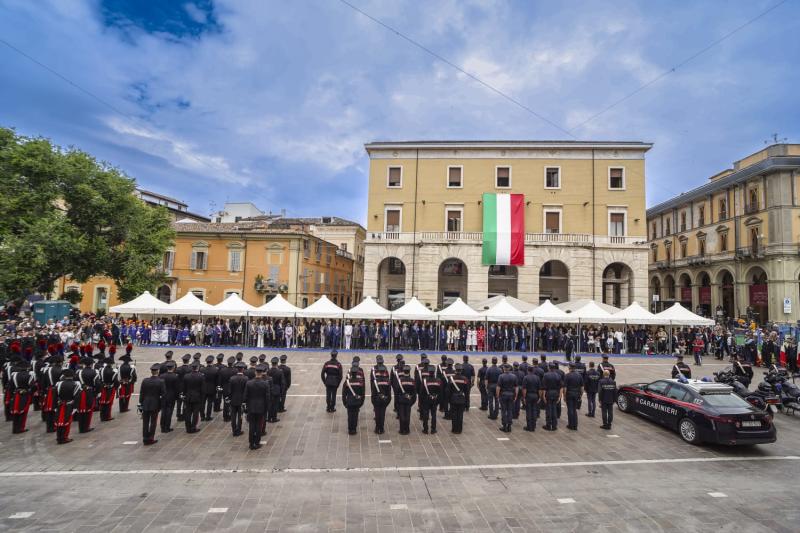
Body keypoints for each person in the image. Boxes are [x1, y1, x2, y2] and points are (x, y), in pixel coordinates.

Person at [244, 365, 271, 449]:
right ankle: (257, 442)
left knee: (252, 425)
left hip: (251, 407)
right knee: (259, 425)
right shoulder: (265, 383)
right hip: (261, 407)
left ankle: (251, 443)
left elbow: (245, 396)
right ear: (262, 373)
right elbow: (267, 397)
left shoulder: (249, 383)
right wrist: (266, 408)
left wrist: (247, 406)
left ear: (255, 372)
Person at [138, 364, 165, 445]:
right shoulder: (161, 381)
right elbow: (163, 394)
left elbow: (142, 393)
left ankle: (145, 438)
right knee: (153, 422)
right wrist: (161, 405)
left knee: (145, 422)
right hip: (155, 404)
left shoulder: (145, 380)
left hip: (145, 403)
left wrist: (141, 403)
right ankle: (151, 438)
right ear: (158, 371)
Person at [54, 369, 81, 444]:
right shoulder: (75, 384)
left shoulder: (58, 384)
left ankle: (59, 437)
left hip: (60, 405)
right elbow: (77, 397)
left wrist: (55, 406)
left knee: (59, 421)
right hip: (69, 405)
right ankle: (64, 437)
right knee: (67, 422)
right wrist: (75, 407)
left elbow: (55, 396)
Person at [9, 360, 35, 434]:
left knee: (15, 412)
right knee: (23, 412)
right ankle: (20, 428)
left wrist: (12, 395)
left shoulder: (14, 375)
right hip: (25, 394)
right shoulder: (29, 375)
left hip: (15, 394)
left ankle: (15, 428)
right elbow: (32, 386)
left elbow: (11, 386)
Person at [416, 356, 440, 435]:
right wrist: (437, 400)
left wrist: (421, 401)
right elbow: (440, 391)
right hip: (435, 399)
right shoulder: (438, 380)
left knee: (425, 414)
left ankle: (425, 429)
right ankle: (433, 429)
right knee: (434, 415)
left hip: (426, 399)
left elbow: (422, 391)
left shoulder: (424, 379)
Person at [370, 355, 392, 434]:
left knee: (377, 413)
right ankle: (381, 428)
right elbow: (389, 389)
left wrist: (373, 398)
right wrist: (387, 400)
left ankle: (377, 428)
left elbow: (372, 381)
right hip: (384, 398)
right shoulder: (385, 370)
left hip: (376, 396)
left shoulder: (374, 370)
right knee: (382, 414)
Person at [342, 364, 365, 435]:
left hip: (349, 401)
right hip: (357, 402)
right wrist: (361, 403)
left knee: (350, 416)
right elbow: (362, 394)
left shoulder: (347, 382)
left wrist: (345, 403)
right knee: (355, 416)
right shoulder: (360, 382)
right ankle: (354, 429)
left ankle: (350, 429)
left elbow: (344, 394)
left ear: (351, 373)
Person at [75, 357, 97, 433]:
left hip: (80, 392)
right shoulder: (94, 372)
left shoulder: (78, 372)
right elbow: (96, 384)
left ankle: (81, 427)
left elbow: (75, 383)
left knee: (81, 410)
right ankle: (86, 427)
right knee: (88, 410)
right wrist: (96, 392)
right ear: (91, 364)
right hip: (89, 392)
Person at [182, 362, 204, 433]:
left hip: (188, 396)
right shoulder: (201, 376)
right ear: (198, 367)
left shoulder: (186, 376)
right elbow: (202, 389)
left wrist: (185, 395)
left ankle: (188, 427)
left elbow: (184, 388)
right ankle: (193, 427)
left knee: (188, 412)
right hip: (197, 396)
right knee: (195, 412)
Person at [448, 363, 469, 434]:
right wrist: (467, 403)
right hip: (462, 399)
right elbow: (467, 392)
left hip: (453, 398)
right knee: (460, 415)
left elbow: (448, 390)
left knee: (454, 415)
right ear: (461, 370)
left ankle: (454, 429)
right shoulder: (465, 379)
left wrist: (449, 399)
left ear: (455, 370)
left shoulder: (451, 378)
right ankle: (459, 429)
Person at [395, 365, 417, 435]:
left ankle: (402, 429)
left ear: (403, 371)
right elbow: (414, 393)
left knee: (401, 415)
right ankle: (407, 429)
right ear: (409, 371)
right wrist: (412, 402)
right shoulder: (412, 380)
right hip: (409, 401)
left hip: (401, 400)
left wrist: (397, 401)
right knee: (408, 415)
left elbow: (397, 391)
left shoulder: (399, 380)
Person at [496, 364, 518, 433]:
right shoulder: (514, 376)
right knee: (510, 410)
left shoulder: (501, 376)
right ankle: (509, 426)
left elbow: (498, 387)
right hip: (511, 395)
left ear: (504, 369)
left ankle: (504, 425)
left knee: (503, 411)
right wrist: (516, 395)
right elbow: (516, 387)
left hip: (503, 395)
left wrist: (497, 395)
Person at [160, 361, 179, 433]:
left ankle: (162, 426)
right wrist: (177, 397)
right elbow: (176, 388)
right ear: (173, 367)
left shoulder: (162, 376)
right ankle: (167, 427)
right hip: (171, 396)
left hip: (163, 396)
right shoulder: (175, 376)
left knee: (163, 411)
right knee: (169, 412)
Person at [98, 357, 119, 422]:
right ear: (111, 364)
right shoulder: (114, 371)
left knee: (102, 402)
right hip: (110, 388)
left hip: (103, 388)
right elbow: (116, 381)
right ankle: (107, 416)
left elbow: (99, 379)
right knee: (109, 403)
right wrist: (116, 387)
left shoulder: (101, 370)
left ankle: (102, 416)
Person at [542, 363, 562, 431]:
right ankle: (554, 425)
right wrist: (559, 396)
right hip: (555, 393)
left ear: (549, 368)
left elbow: (544, 387)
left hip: (549, 393)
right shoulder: (558, 375)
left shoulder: (546, 375)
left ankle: (548, 425)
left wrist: (544, 396)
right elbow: (560, 387)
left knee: (548, 410)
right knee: (554, 409)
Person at [564, 363, 584, 430]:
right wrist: (581, 395)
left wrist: (564, 395)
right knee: (574, 410)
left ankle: (571, 424)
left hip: (569, 394)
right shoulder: (579, 376)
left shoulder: (567, 376)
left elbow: (565, 388)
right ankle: (575, 425)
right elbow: (582, 387)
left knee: (570, 410)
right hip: (577, 394)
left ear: (569, 367)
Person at [521, 365, 541, 432]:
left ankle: (529, 426)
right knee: (534, 411)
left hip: (529, 395)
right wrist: (539, 397)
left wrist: (524, 397)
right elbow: (539, 389)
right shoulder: (537, 378)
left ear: (528, 370)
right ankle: (534, 425)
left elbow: (524, 389)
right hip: (535, 395)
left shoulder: (526, 378)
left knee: (529, 411)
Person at [200, 355, 219, 421]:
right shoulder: (215, 370)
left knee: (202, 403)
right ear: (212, 361)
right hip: (212, 388)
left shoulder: (202, 369)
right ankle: (208, 416)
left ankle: (202, 416)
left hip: (203, 388)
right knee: (210, 403)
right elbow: (217, 381)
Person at [218, 357, 236, 422]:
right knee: (231, 403)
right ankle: (229, 415)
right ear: (233, 363)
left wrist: (221, 387)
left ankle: (225, 416)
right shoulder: (235, 370)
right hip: (233, 389)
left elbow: (220, 381)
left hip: (225, 388)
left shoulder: (222, 370)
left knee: (225, 402)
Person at [175, 354, 192, 421]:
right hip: (187, 387)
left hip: (179, 387)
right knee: (186, 402)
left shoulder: (178, 369)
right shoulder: (190, 369)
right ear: (188, 360)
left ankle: (178, 415)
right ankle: (185, 414)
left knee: (179, 402)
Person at [266, 357, 284, 423]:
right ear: (277, 363)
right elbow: (281, 382)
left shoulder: (268, 371)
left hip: (269, 388)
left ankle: (269, 417)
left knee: (270, 404)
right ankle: (274, 418)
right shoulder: (279, 372)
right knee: (275, 404)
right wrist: (282, 391)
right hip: (277, 389)